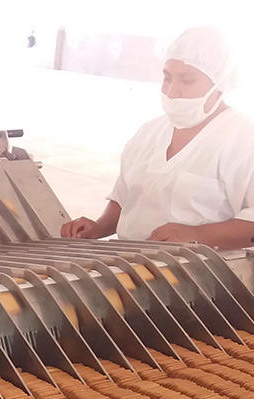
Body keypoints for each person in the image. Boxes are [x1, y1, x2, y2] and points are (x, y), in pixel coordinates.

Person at [61, 26, 254, 250]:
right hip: (129, 261)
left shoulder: (243, 139)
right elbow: (126, 197)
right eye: (167, 78)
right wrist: (98, 227)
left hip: (199, 268)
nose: (172, 91)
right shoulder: (149, 132)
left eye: (187, 80)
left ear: (219, 83)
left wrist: (197, 235)